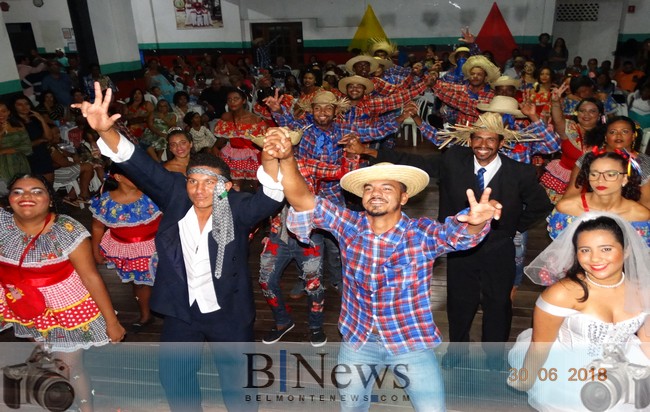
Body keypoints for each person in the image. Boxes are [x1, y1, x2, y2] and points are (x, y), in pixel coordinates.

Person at [75, 82, 283, 412]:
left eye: (210, 182)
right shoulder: (175, 197)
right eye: (193, 180)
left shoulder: (237, 208)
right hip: (181, 311)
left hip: (227, 313)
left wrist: (272, 158)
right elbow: (138, 163)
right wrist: (107, 129)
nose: (199, 189)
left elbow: (272, 195)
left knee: (237, 382)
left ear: (226, 187)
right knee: (175, 378)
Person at [262, 126, 502, 411]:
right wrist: (288, 159)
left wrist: (475, 221)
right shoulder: (349, 225)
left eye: (387, 188)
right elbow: (303, 199)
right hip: (359, 341)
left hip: (410, 342)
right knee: (352, 408)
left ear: (403, 198)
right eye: (370, 188)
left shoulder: (421, 234)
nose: (376, 193)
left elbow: (456, 235)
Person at [0, 174, 125, 411]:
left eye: (37, 191)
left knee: (66, 367)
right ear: (9, 200)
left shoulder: (66, 229)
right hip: (24, 305)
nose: (26, 196)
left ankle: (86, 407)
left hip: (66, 309)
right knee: (47, 360)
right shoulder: (2, 225)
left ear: (49, 200)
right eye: (18, 191)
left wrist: (112, 322)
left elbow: (91, 276)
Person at [437, 113, 552, 370]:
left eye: (490, 139)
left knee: (498, 303)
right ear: (470, 140)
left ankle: (495, 357)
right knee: (458, 302)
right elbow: (417, 162)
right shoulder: (453, 162)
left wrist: (510, 227)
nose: (483, 144)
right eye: (478, 138)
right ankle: (457, 351)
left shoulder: (519, 172)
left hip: (499, 249)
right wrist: (372, 153)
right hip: (460, 248)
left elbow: (541, 205)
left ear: (501, 142)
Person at [508, 213, 650, 412]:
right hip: (569, 376)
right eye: (585, 250)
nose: (595, 258)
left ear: (626, 251)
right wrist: (526, 380)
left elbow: (646, 340)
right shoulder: (561, 294)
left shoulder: (643, 290)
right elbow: (540, 346)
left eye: (606, 249)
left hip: (623, 373)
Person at [90, 163, 161, 332]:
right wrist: (96, 251)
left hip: (156, 245)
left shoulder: (151, 195)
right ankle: (145, 314)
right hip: (127, 249)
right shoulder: (106, 201)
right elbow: (97, 227)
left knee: (166, 279)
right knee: (140, 283)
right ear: (119, 178)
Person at [548, 150, 650, 245]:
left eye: (610, 174)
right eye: (594, 174)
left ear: (624, 179)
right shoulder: (567, 209)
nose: (600, 180)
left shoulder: (639, 215)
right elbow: (560, 250)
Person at [564, 116, 650, 208]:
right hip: (589, 209)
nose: (618, 135)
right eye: (612, 132)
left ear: (633, 136)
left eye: (625, 131)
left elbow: (646, 203)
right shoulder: (590, 157)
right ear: (606, 137)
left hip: (628, 214)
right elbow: (572, 192)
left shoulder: (643, 163)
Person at [540, 84, 604, 203]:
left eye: (592, 111)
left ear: (599, 115)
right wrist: (555, 101)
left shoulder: (606, 136)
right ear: (577, 113)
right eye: (582, 111)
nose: (586, 115)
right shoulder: (570, 128)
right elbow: (558, 119)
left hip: (593, 185)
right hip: (560, 183)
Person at [215, 88, 266, 192]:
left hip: (251, 157)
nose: (232, 102)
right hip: (232, 155)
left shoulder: (255, 119)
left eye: (236, 99)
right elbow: (222, 138)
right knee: (233, 187)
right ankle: (229, 204)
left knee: (254, 187)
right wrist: (215, 147)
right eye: (229, 100)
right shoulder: (226, 117)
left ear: (244, 100)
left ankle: (254, 206)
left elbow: (262, 141)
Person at [0, 100, 32, 194]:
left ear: (9, 112)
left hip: (20, 166)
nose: (1, 114)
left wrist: (5, 151)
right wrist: (1, 133)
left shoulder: (18, 126)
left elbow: (28, 148)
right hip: (2, 169)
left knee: (23, 192)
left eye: (3, 111)